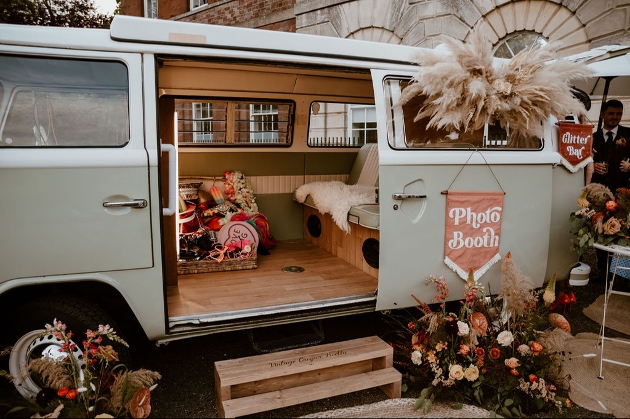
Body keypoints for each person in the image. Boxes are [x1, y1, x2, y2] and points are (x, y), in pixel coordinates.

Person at [586, 99, 630, 281]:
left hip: (623, 194)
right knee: (600, 230)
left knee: (621, 232)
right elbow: (583, 162)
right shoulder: (592, 138)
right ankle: (603, 271)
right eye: (611, 113)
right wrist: (592, 165)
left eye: (619, 114)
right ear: (602, 114)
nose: (615, 117)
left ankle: (619, 274)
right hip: (599, 195)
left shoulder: (629, 135)